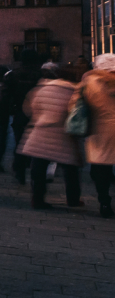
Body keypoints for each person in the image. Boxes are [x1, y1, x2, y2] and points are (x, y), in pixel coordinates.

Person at [20, 64, 83, 210]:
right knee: (70, 169)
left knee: (38, 168)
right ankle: (73, 199)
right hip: (64, 134)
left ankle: (37, 199)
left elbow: (29, 109)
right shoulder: (73, 91)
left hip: (41, 132)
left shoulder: (40, 89)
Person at [77, 53, 115, 218]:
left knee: (100, 169)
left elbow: (75, 104)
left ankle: (104, 202)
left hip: (99, 130)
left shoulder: (89, 81)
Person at [0, 49, 42, 184]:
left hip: (20, 112)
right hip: (39, 114)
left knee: (20, 142)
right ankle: (37, 174)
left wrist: (4, 114)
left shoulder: (12, 75)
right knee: (39, 146)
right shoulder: (41, 75)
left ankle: (19, 170)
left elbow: (3, 97)